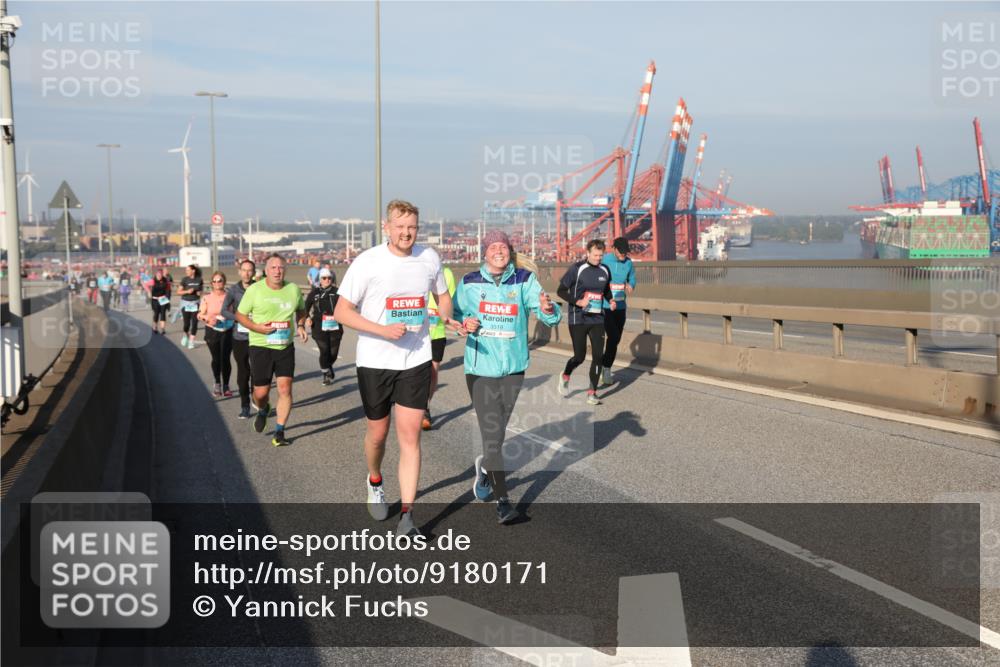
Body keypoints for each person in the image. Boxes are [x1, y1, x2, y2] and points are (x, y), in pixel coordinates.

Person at [334, 199, 455, 537]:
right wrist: (382, 329)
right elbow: (342, 312)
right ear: (386, 227)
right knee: (378, 433)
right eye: (400, 226)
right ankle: (375, 479)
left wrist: (445, 313)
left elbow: (442, 296)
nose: (406, 233)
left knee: (410, 436)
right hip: (375, 361)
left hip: (415, 359)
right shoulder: (368, 262)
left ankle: (406, 516)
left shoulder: (429, 258)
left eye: (412, 227)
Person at [455, 230, 561, 523]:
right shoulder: (469, 283)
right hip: (479, 368)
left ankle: (486, 473)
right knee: (492, 436)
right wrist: (464, 322)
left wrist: (548, 309)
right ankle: (503, 501)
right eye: (493, 247)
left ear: (509, 252)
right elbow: (451, 314)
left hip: (513, 368)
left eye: (503, 246)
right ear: (485, 253)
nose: (499, 250)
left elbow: (549, 314)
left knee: (498, 434)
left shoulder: (523, 280)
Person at [234, 253, 308, 447]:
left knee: (285, 388)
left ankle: (279, 432)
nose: (277, 271)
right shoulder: (255, 290)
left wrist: (300, 325)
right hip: (260, 345)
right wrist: (256, 327)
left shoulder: (293, 289)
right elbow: (240, 315)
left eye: (281, 267)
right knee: (260, 393)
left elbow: (301, 309)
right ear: (266, 271)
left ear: (285, 270)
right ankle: (263, 408)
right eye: (273, 268)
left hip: (284, 346)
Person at [556, 239, 616, 405]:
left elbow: (606, 291)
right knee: (579, 356)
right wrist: (578, 302)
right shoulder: (577, 269)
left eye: (601, 255)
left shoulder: (605, 269)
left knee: (598, 356)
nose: (598, 258)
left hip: (597, 318)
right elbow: (560, 291)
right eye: (595, 255)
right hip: (578, 318)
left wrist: (611, 301)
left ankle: (592, 392)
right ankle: (566, 374)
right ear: (587, 253)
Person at [422, 265, 456, 430]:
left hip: (437, 332)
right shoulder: (413, 269)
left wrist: (450, 318)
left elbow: (451, 299)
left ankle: (425, 407)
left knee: (433, 372)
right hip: (415, 334)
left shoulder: (446, 273)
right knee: (416, 373)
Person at [222, 259, 257, 418]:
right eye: (244, 270)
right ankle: (245, 405)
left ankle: (258, 398)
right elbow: (224, 311)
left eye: (250, 270)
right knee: (243, 372)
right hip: (240, 337)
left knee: (258, 371)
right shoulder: (234, 290)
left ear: (254, 272)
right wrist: (239, 318)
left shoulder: (259, 288)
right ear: (239, 272)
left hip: (258, 336)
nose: (247, 273)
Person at [600, 237, 636, 386]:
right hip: (606, 306)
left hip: (621, 306)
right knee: (613, 335)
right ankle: (605, 367)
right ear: (614, 249)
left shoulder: (628, 263)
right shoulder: (605, 261)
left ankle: (606, 366)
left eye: (625, 253)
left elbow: (632, 278)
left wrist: (631, 285)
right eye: (620, 252)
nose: (623, 255)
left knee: (615, 339)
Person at [198, 271, 234, 397]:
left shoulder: (230, 296)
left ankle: (226, 385)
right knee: (216, 358)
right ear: (212, 283)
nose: (217, 283)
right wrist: (208, 319)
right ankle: (217, 382)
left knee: (225, 358)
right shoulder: (206, 298)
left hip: (227, 330)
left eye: (220, 280)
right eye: (215, 281)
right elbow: (200, 315)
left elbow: (237, 312)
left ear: (224, 282)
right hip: (212, 331)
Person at [304, 267, 342, 386]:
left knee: (333, 353)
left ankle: (328, 366)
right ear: (320, 279)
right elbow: (305, 306)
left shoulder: (338, 292)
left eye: (329, 278)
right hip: (319, 326)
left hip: (335, 326)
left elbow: (346, 307)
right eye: (324, 278)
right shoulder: (314, 292)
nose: (327, 280)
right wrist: (307, 317)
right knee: (324, 350)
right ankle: (326, 372)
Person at [177, 264, 203, 349]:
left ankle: (191, 341)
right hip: (186, 303)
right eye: (186, 270)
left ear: (193, 271)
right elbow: (178, 292)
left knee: (195, 323)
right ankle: (185, 335)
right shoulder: (184, 280)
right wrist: (187, 291)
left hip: (195, 303)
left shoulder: (199, 280)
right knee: (186, 324)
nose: (186, 272)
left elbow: (200, 292)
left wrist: (198, 293)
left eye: (188, 270)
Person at [149, 269, 171, 335]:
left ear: (162, 274)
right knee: (156, 314)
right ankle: (155, 327)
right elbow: (145, 285)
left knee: (163, 313)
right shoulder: (153, 280)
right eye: (158, 275)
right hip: (155, 299)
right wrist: (148, 292)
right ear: (156, 275)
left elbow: (168, 290)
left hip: (163, 299)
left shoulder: (165, 281)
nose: (159, 276)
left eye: (160, 275)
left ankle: (162, 329)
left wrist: (168, 299)